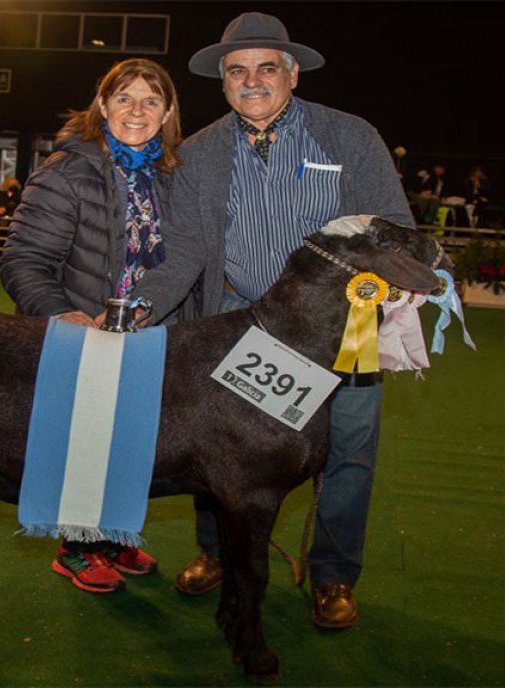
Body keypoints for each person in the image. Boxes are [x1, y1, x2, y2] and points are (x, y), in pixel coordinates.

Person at [128, 11, 417, 630]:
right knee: (219, 453)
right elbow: (182, 252)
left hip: (344, 326)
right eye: (237, 70)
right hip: (241, 319)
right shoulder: (200, 152)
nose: (251, 80)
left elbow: (394, 227)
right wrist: (140, 305)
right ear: (223, 82)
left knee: (349, 448)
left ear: (291, 74)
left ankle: (334, 573)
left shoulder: (349, 137)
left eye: (266, 67)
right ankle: (217, 554)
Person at [0, 58, 182, 592]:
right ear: (102, 106)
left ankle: (114, 537)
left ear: (167, 111)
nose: (137, 110)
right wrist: (65, 317)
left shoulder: (172, 174)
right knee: (85, 443)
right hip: (83, 335)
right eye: (124, 98)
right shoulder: (68, 169)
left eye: (151, 100)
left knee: (137, 442)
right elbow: (22, 260)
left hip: (150, 333)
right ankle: (77, 548)